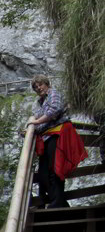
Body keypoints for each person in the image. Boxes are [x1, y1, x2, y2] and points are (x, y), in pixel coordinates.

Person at [26, 75, 87, 208]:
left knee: (56, 168)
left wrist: (35, 122)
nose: (38, 88)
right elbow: (42, 120)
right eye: (35, 87)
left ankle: (57, 202)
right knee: (43, 173)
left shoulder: (53, 93)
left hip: (58, 134)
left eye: (40, 84)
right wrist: (31, 129)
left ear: (47, 84)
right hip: (48, 136)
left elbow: (54, 110)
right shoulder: (40, 102)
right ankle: (59, 202)